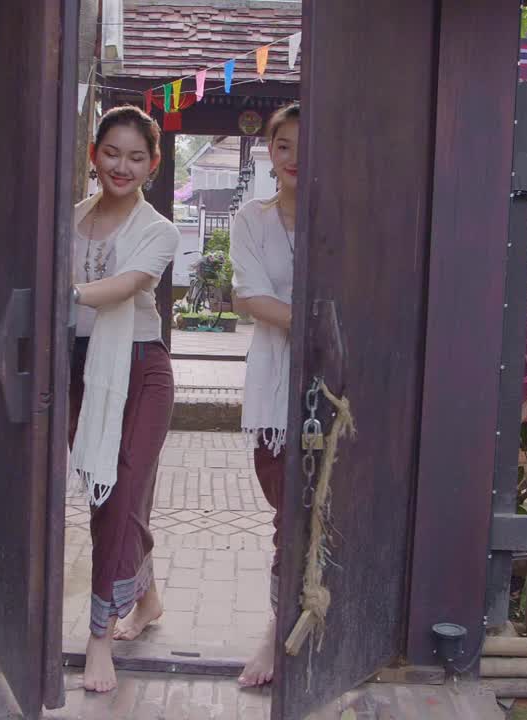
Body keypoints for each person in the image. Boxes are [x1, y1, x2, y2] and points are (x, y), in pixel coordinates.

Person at [70, 105, 180, 693]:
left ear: (153, 165)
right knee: (110, 499)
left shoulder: (159, 231)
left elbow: (125, 287)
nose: (122, 165)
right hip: (79, 369)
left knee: (120, 496)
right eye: (112, 152)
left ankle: (97, 636)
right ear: (95, 154)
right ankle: (149, 597)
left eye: (136, 156)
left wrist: (57, 296)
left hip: (140, 371)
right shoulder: (71, 218)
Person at [230, 102, 300, 688]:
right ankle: (280, 627)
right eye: (284, 145)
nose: (296, 157)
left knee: (330, 512)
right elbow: (251, 296)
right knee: (288, 513)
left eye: (308, 144)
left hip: (341, 393)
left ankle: (296, 629)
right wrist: (321, 323)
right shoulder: (251, 220)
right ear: (271, 154)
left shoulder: (344, 217)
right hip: (276, 388)